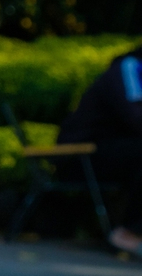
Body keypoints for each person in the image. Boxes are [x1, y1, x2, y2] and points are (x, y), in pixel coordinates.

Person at [58, 47, 142, 257]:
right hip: (80, 156)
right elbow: (136, 118)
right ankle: (130, 232)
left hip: (113, 153)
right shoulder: (129, 67)